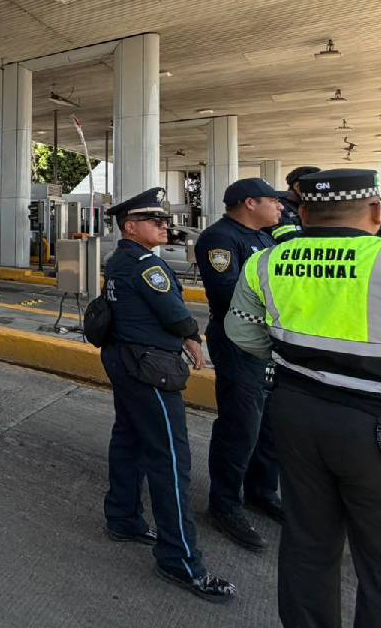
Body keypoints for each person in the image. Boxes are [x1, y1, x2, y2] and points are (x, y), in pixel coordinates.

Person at [225, 169, 381, 627]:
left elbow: (242, 332)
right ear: (375, 210)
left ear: (304, 213)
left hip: (299, 413)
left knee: (307, 544)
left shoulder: (267, 262)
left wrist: (297, 358)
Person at [100, 187, 236, 603]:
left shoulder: (120, 259)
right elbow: (174, 313)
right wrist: (192, 338)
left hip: (124, 359)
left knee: (129, 439)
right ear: (130, 227)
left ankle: (123, 517)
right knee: (170, 459)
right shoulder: (145, 265)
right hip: (150, 367)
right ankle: (180, 560)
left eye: (164, 219)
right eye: (154, 220)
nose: (164, 226)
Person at [194, 179, 283, 551]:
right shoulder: (220, 239)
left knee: (271, 424)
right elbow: (227, 294)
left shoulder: (264, 238)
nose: (280, 208)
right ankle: (225, 504)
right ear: (250, 203)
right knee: (241, 424)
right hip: (238, 340)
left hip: (269, 340)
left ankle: (261, 490)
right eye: (273, 201)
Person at [264, 166, 316, 243]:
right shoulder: (278, 207)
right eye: (316, 186)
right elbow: (288, 239)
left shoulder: (305, 204)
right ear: (297, 186)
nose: (319, 192)